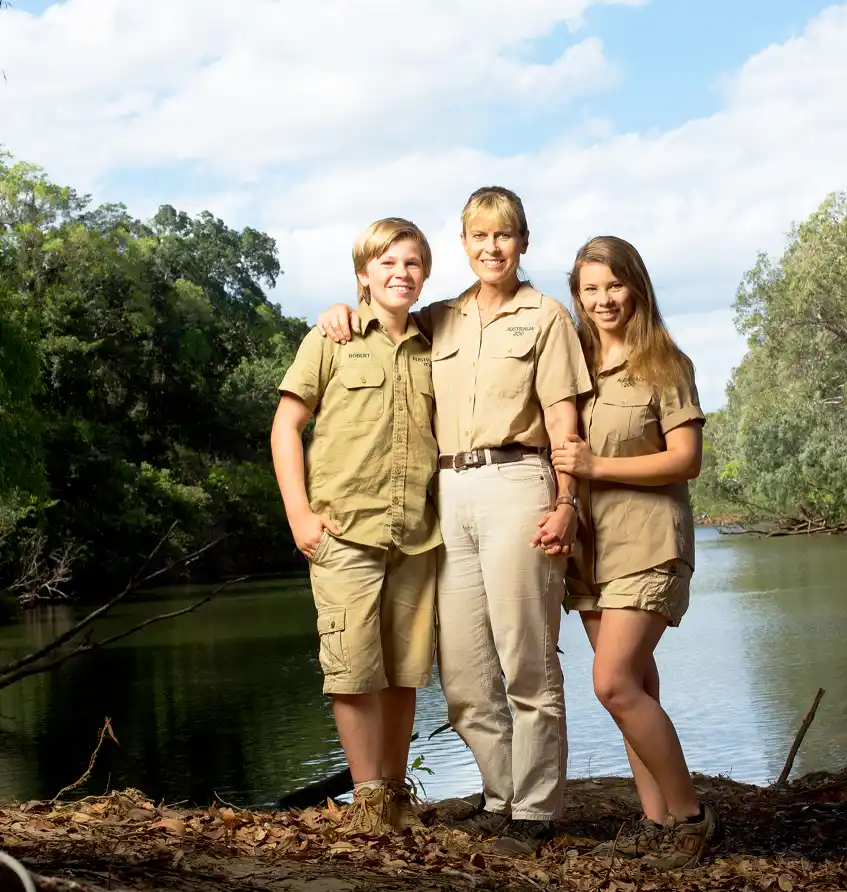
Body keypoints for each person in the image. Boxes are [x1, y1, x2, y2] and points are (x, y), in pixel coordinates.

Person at [317, 186, 591, 855]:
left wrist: (567, 503)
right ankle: (500, 794)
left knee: (526, 658)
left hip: (519, 482)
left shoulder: (546, 316)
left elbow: (564, 421)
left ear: (522, 243)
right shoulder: (440, 318)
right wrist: (338, 313)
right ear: (463, 245)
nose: (491, 248)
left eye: (504, 236)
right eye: (478, 236)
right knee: (464, 672)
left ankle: (535, 809)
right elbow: (383, 318)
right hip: (447, 494)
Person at [550, 235, 720, 867]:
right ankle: (658, 823)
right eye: (589, 289)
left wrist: (599, 464)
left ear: (637, 287)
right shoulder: (568, 367)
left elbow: (687, 460)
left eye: (613, 285)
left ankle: (696, 818)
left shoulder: (665, 364)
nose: (602, 299)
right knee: (639, 683)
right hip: (589, 552)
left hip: (649, 544)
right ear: (576, 295)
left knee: (614, 683)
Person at [270, 218, 441, 838]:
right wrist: (299, 514)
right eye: (387, 262)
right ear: (364, 274)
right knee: (352, 671)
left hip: (417, 537)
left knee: (402, 674)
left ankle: (395, 798)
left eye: (413, 263)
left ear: (426, 273)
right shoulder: (332, 338)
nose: (401, 273)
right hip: (343, 532)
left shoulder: (436, 342)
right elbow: (286, 425)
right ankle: (369, 802)